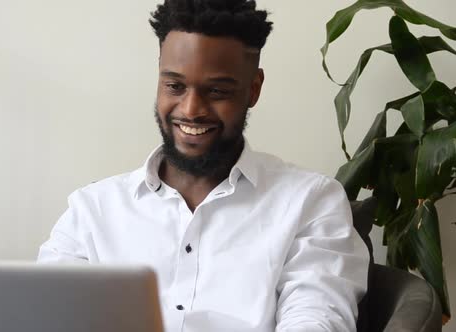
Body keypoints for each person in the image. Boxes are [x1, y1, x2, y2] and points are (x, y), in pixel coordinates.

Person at [38, 0, 369, 331]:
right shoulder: (92, 210)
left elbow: (316, 319)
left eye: (216, 91)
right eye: (175, 86)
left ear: (253, 89)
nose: (191, 109)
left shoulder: (310, 203)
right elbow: (42, 314)